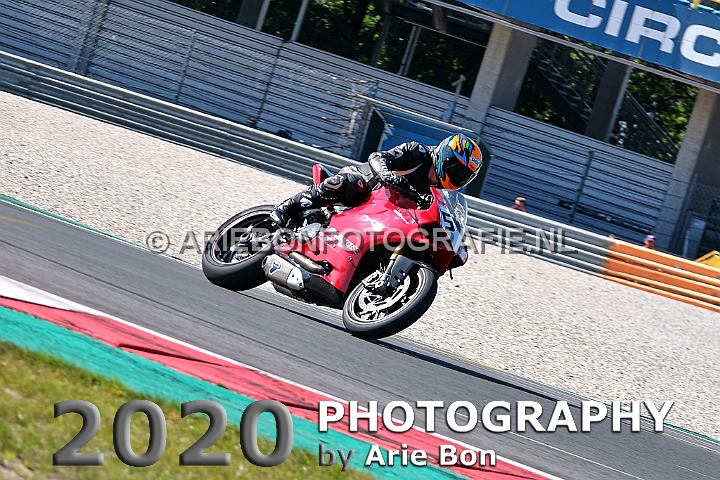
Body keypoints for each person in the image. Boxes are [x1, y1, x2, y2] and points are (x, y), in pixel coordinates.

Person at [269, 134, 483, 227]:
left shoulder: (440, 194)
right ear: (446, 157)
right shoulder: (417, 152)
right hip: (367, 185)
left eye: (464, 177)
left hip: (385, 214)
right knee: (349, 184)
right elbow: (378, 157)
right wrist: (386, 174)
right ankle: (287, 207)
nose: (458, 178)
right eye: (457, 171)